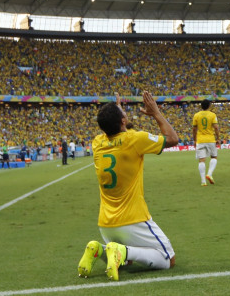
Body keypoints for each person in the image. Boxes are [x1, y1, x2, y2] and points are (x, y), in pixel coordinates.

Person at [77, 91, 179, 281]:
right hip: (133, 218)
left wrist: (118, 113)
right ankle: (120, 251)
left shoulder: (97, 143)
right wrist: (155, 112)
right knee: (168, 260)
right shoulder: (135, 140)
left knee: (127, 261)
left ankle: (100, 249)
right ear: (123, 121)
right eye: (123, 115)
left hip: (106, 223)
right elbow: (173, 138)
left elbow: (116, 131)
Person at [192, 99, 220, 186]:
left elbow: (194, 129)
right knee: (214, 157)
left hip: (200, 140)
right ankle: (209, 174)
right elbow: (216, 127)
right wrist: (218, 138)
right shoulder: (212, 115)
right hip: (210, 139)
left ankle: (203, 181)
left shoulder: (196, 115)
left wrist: (195, 140)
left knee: (201, 160)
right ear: (209, 106)